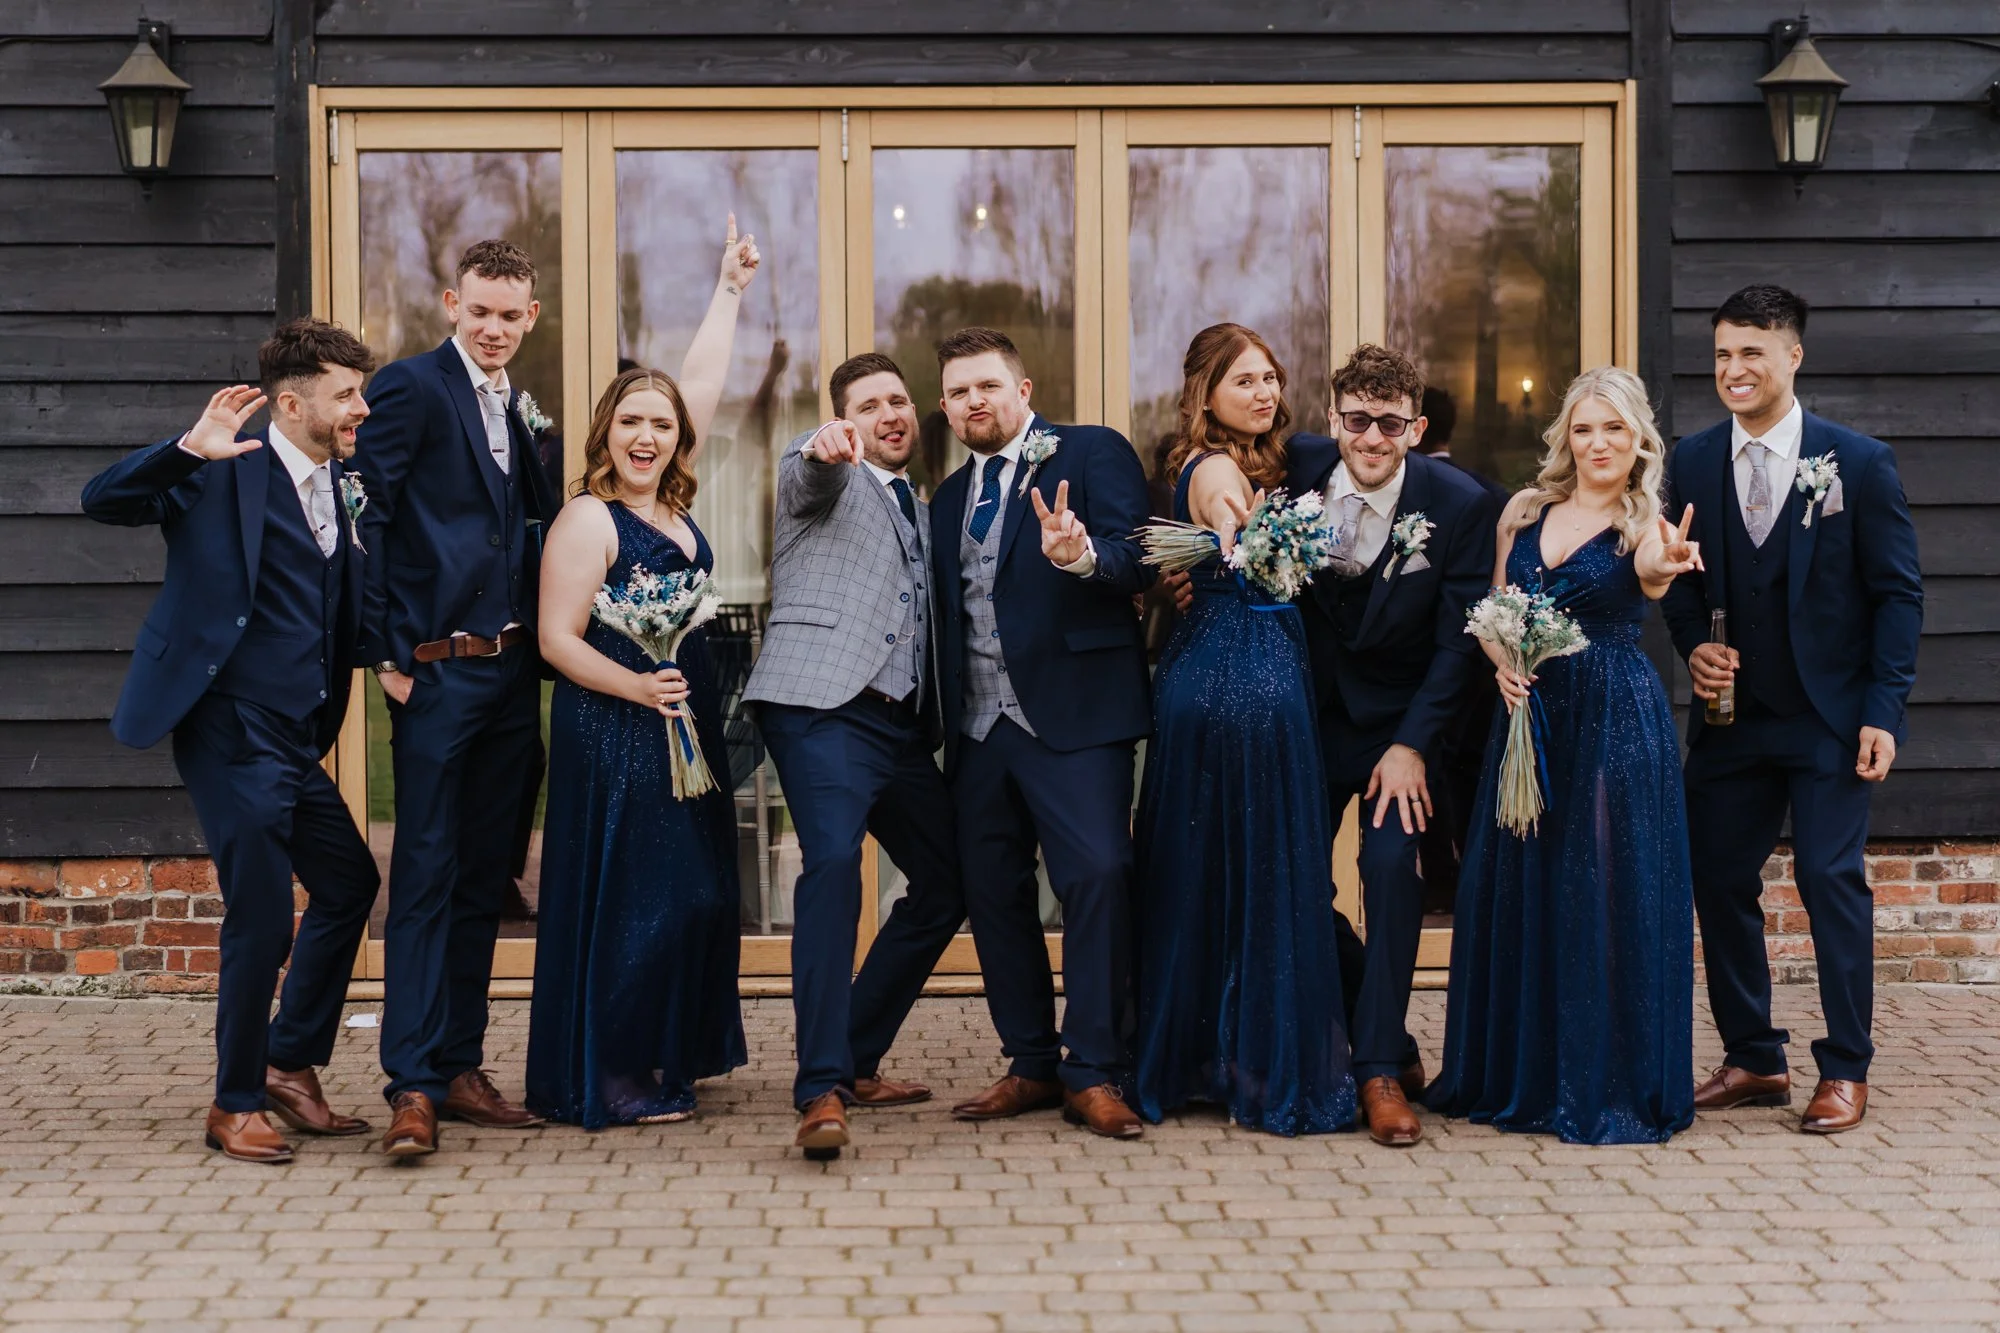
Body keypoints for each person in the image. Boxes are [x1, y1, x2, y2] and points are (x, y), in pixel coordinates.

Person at [352, 222, 760, 1157]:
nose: (493, 328)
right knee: (424, 878)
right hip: (438, 672)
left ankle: (459, 1064)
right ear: (452, 305)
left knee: (482, 883)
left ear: (531, 316)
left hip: (509, 687)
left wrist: (728, 293)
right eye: (479, 312)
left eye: (509, 315)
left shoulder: (522, 416)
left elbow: (679, 409)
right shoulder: (412, 387)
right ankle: (411, 1082)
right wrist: (384, 654)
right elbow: (367, 514)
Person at [80, 321, 382, 1163]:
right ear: (292, 405)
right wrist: (186, 449)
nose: (361, 408)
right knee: (262, 913)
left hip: (293, 733)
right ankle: (235, 1101)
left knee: (350, 882)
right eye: (345, 395)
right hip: (227, 723)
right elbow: (102, 499)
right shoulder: (218, 470)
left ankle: (289, 1059)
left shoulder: (342, 481)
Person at [1663, 285, 1922, 1135]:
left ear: (1793, 355)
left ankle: (1845, 1065)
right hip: (1730, 719)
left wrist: (1883, 710)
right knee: (1718, 877)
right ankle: (1755, 1056)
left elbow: (1898, 595)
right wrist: (1692, 644)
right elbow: (1677, 579)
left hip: (1829, 719)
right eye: (1722, 354)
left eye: (1751, 352)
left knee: (1827, 879)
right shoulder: (1691, 460)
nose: (1733, 369)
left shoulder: (1859, 463)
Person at [1426, 366, 1704, 1145]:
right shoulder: (1523, 510)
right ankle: (1525, 1072)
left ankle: (1601, 1078)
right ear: (1566, 438)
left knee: (1601, 887)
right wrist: (1502, 663)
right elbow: (1491, 611)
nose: (1598, 443)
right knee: (1524, 883)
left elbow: (1652, 574)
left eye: (1614, 428)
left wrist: (1666, 563)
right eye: (1584, 428)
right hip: (1527, 715)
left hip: (1613, 716)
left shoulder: (1643, 522)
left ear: (1638, 438)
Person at [928, 326, 1156, 1140]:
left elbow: (1140, 558)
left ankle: (1093, 1066)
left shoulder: (1090, 452)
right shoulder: (946, 498)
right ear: (945, 407)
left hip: (1075, 714)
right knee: (993, 892)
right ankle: (1030, 1059)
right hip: (980, 726)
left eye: (987, 385)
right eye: (959, 392)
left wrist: (1081, 556)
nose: (974, 401)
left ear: (1022, 390)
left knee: (1097, 874)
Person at [1131, 324, 1355, 1136]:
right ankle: (1256, 1060)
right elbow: (1236, 532)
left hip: (1216, 664)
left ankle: (1206, 1054)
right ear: (1206, 394)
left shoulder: (1256, 460)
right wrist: (1244, 534)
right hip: (1244, 673)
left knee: (1210, 860)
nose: (1264, 393)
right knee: (1261, 862)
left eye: (1270, 378)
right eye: (1244, 381)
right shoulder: (1220, 470)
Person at [745, 353, 968, 1159]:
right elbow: (806, 473)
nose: (889, 415)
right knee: (834, 865)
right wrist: (821, 448)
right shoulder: (822, 476)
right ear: (844, 419)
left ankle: (857, 1052)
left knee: (950, 879)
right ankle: (821, 1089)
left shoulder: (927, 510)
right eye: (868, 405)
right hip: (822, 708)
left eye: (898, 400)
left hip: (900, 726)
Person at [1283, 345, 1502, 1147]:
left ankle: (1376, 1067)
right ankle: (1393, 1042)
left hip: (1398, 731)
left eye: (1389, 422)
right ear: (1333, 417)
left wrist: (1413, 744)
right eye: (1357, 420)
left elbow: (1456, 646)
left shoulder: (1459, 503)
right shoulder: (1296, 470)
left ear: (1415, 426)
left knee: (1389, 869)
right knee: (1291, 879)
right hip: (1309, 721)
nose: (1371, 438)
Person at [524, 367, 748, 1128]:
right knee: (641, 894)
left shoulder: (677, 512)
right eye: (630, 422)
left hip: (683, 720)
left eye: (661, 424)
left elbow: (702, 386)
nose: (645, 437)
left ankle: (662, 1049)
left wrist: (729, 297)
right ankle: (610, 1071)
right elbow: (556, 639)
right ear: (605, 433)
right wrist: (640, 688)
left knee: (697, 892)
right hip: (616, 725)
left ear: (679, 438)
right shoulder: (588, 519)